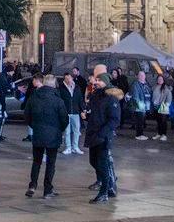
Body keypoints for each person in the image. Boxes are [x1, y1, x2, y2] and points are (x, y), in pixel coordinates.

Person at [25, 74, 69, 199]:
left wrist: (34, 126)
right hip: (53, 135)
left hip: (38, 133)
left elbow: (27, 115)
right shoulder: (58, 100)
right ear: (54, 85)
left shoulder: (34, 97)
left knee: (36, 161)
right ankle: (47, 189)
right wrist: (59, 129)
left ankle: (32, 186)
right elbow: (64, 119)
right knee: (51, 163)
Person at [84, 75, 121, 204]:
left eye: (99, 81)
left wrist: (103, 133)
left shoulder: (111, 98)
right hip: (93, 135)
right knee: (93, 161)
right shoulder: (95, 96)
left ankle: (104, 191)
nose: (96, 82)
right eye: (96, 80)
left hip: (103, 137)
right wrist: (87, 116)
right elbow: (94, 114)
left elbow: (114, 119)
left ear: (105, 82)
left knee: (102, 163)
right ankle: (110, 180)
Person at [60, 68, 85, 154]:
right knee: (67, 131)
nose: (69, 80)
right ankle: (68, 147)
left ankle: (75, 147)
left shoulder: (77, 87)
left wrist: (82, 110)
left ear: (72, 78)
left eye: (70, 78)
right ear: (64, 79)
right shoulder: (61, 88)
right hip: (66, 113)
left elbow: (80, 99)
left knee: (76, 131)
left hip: (75, 112)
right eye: (66, 79)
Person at [129, 68, 153, 139]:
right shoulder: (135, 84)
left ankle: (141, 134)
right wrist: (140, 105)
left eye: (143, 75)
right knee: (139, 121)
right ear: (138, 76)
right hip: (140, 106)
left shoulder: (146, 84)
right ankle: (139, 135)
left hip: (145, 106)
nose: (142, 76)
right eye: (140, 75)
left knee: (142, 121)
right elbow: (135, 96)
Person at [151, 73, 173, 142]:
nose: (160, 80)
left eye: (161, 79)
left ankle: (164, 134)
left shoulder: (166, 88)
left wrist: (166, 105)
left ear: (164, 80)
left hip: (163, 106)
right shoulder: (154, 87)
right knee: (158, 121)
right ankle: (159, 133)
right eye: (158, 79)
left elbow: (169, 98)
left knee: (163, 121)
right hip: (156, 106)